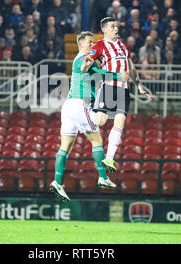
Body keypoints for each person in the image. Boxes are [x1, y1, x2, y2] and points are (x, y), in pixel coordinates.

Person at [49, 31, 128, 202]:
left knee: (65, 147)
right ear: (81, 44)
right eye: (90, 42)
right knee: (97, 140)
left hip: (68, 107)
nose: (93, 45)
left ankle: (57, 181)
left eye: (94, 42)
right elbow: (103, 74)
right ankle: (102, 177)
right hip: (80, 104)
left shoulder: (81, 60)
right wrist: (120, 76)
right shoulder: (83, 59)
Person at [88, 17, 153, 172]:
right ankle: (84, 113)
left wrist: (139, 85)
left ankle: (109, 159)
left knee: (120, 122)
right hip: (109, 88)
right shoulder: (100, 46)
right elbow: (88, 62)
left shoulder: (124, 46)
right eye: (112, 26)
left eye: (116, 26)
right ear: (104, 30)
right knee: (100, 121)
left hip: (124, 90)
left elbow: (132, 68)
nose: (116, 29)